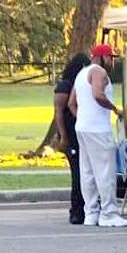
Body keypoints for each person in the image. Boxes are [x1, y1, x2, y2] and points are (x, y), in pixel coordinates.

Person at [68, 44, 127, 228]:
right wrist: (115, 108)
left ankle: (91, 213)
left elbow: (72, 103)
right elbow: (98, 94)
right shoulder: (99, 72)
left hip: (83, 128)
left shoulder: (81, 73)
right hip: (98, 129)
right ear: (102, 57)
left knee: (87, 172)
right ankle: (109, 213)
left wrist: (83, 117)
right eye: (111, 57)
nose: (112, 62)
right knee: (105, 172)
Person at [53, 53, 91, 224]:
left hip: (82, 132)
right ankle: (76, 210)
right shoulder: (65, 86)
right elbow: (58, 112)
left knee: (85, 172)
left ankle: (86, 207)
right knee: (77, 173)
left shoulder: (81, 85)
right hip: (70, 132)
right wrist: (63, 136)